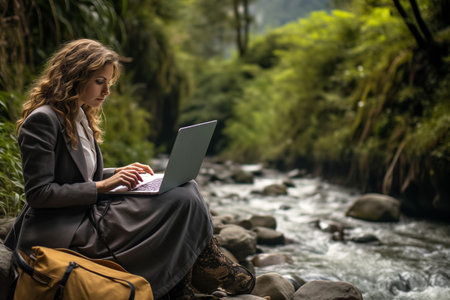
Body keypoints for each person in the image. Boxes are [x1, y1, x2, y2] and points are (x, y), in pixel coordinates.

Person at [4, 39, 254, 299]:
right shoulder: (43, 120)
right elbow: (39, 194)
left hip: (86, 212)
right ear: (75, 77)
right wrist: (104, 186)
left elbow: (78, 174)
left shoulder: (79, 115)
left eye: (109, 83)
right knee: (180, 199)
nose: (107, 91)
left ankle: (193, 268)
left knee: (186, 187)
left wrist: (117, 173)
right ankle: (202, 266)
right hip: (65, 227)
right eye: (100, 81)